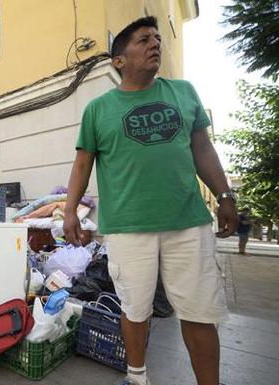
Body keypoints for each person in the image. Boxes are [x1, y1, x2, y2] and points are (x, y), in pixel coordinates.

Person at [63, 17, 238, 385]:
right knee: (134, 308)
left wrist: (224, 195)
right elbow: (82, 164)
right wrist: (70, 213)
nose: (155, 43)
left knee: (199, 311)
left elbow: (202, 149)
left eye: (157, 38)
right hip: (128, 227)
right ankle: (137, 376)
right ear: (119, 60)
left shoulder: (183, 92)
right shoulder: (98, 109)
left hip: (187, 222)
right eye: (143, 40)